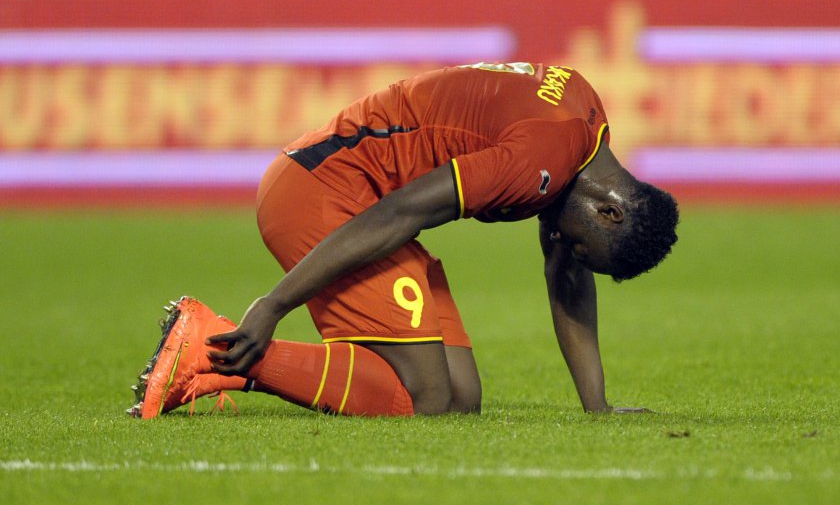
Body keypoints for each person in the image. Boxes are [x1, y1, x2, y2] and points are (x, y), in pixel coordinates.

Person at [128, 62, 679, 419]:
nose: (561, 240)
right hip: (323, 192)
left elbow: (567, 276)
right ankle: (208, 342)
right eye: (581, 245)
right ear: (610, 211)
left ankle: (208, 369)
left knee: (460, 400)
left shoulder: (583, 131)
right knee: (427, 398)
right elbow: (400, 211)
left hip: (356, 197)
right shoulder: (536, 160)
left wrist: (597, 407)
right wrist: (274, 304)